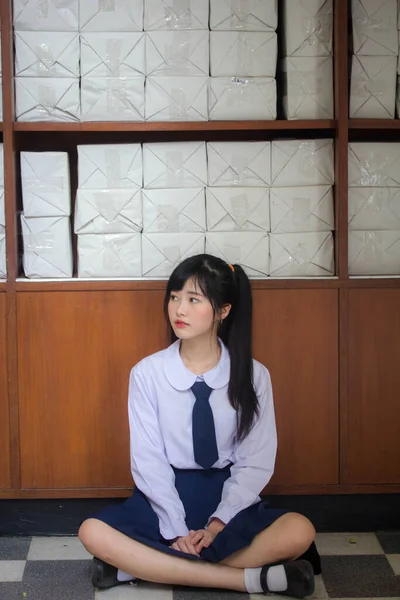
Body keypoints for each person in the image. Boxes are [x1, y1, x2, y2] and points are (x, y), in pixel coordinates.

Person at [79, 254, 321, 597]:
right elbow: (148, 458)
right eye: (175, 297)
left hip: (228, 492)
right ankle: (248, 579)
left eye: (194, 300)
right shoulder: (147, 373)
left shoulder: (254, 375)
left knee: (299, 531)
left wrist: (219, 523)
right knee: (92, 531)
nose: (179, 309)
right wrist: (175, 527)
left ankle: (138, 569)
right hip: (166, 492)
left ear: (223, 310)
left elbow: (255, 459)